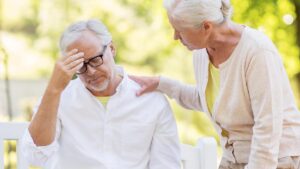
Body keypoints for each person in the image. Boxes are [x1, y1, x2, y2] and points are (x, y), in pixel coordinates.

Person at [130, 0, 300, 169]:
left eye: (180, 30)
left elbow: (267, 126)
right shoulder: (201, 53)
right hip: (235, 158)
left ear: (206, 27)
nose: (175, 36)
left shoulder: (257, 51)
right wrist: (161, 84)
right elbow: (212, 100)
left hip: (276, 157)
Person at [20, 19, 181, 169]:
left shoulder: (152, 101)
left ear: (111, 48)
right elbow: (36, 155)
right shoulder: (58, 98)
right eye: (80, 65)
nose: (90, 71)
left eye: (96, 59)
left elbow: (167, 165)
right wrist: (53, 90)